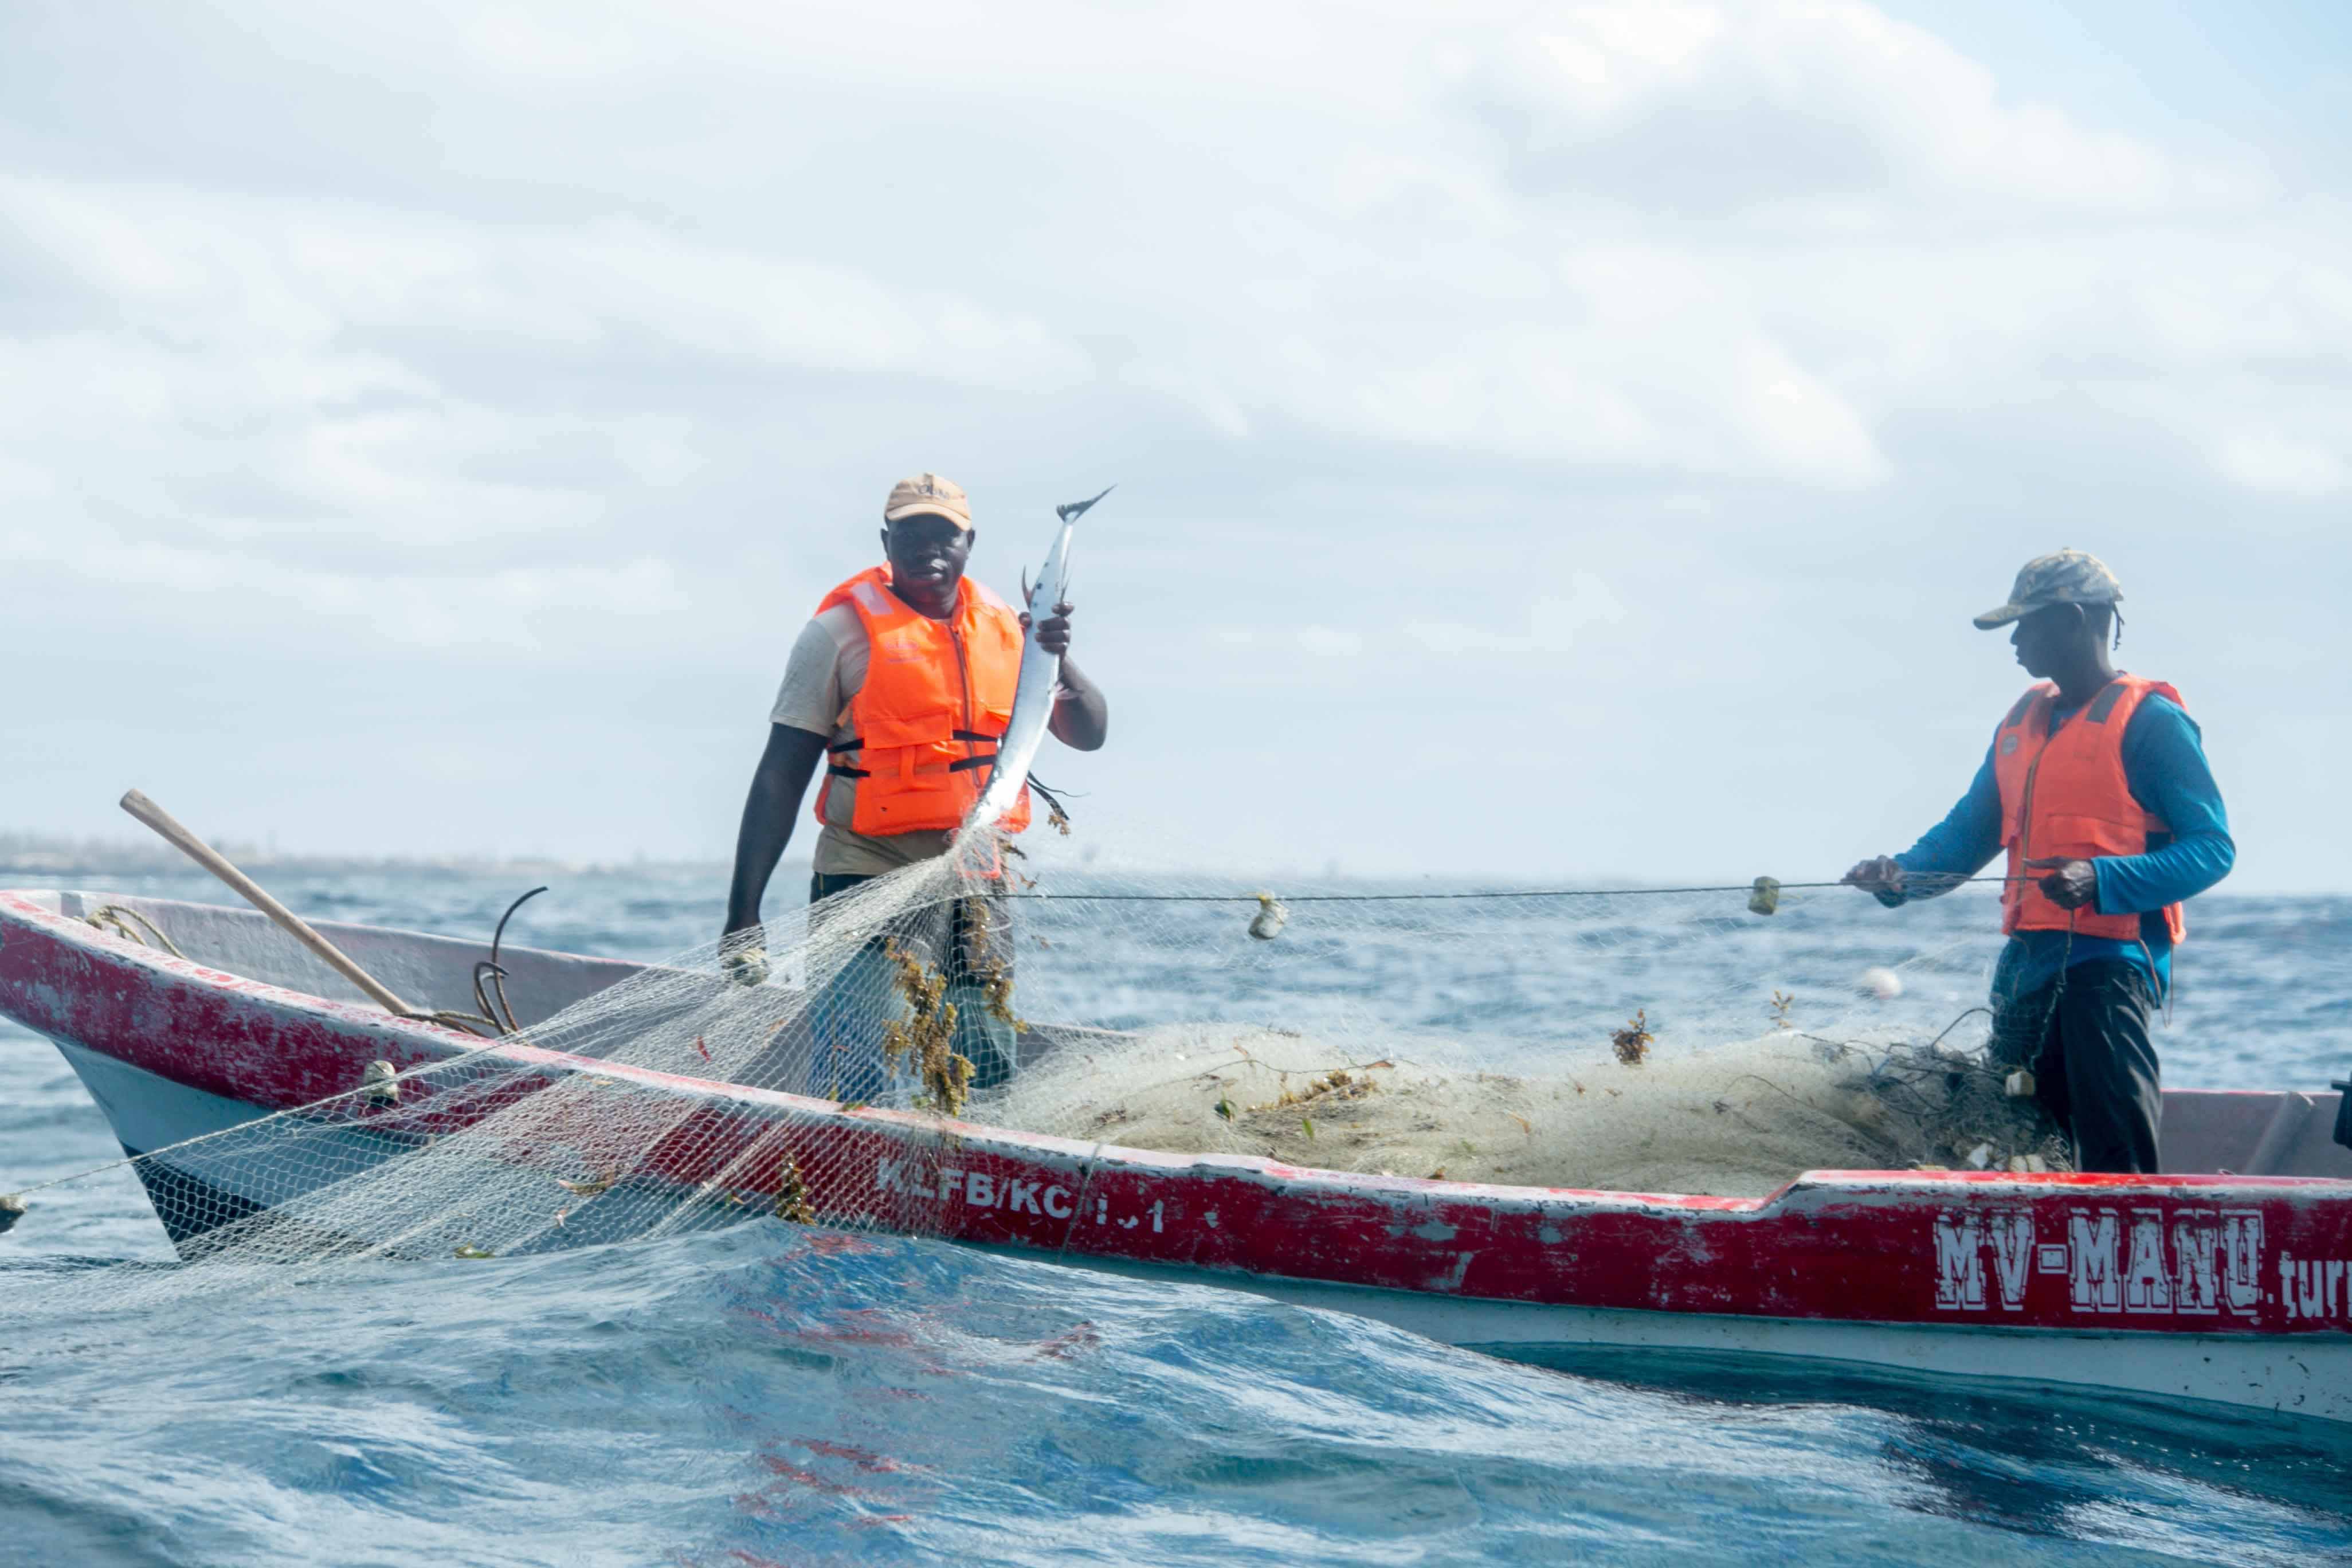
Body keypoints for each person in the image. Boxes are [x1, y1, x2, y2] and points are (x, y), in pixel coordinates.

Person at [1843, 551, 2233, 1173]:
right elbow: (1966, 836)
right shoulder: (2023, 722)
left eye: (2028, 624)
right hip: (2026, 970)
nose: (2017, 641)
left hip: (2107, 973)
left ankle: (2128, 1257)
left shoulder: (2153, 723)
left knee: (2114, 1155)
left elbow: (2213, 849)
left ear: (2075, 621)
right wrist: (1900, 876)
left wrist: (2102, 877)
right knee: (2018, 1145)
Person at [722, 472, 1110, 1099]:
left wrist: (1059, 656)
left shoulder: (1013, 633)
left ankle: (972, 1171)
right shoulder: (838, 635)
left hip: (975, 871)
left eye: (944, 536)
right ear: (885, 540)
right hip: (867, 869)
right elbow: (780, 774)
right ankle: (852, 1165)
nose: (928, 550)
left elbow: (1087, 733)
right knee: (863, 1056)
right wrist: (744, 913)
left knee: (981, 1052)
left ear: (969, 543)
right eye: (911, 536)